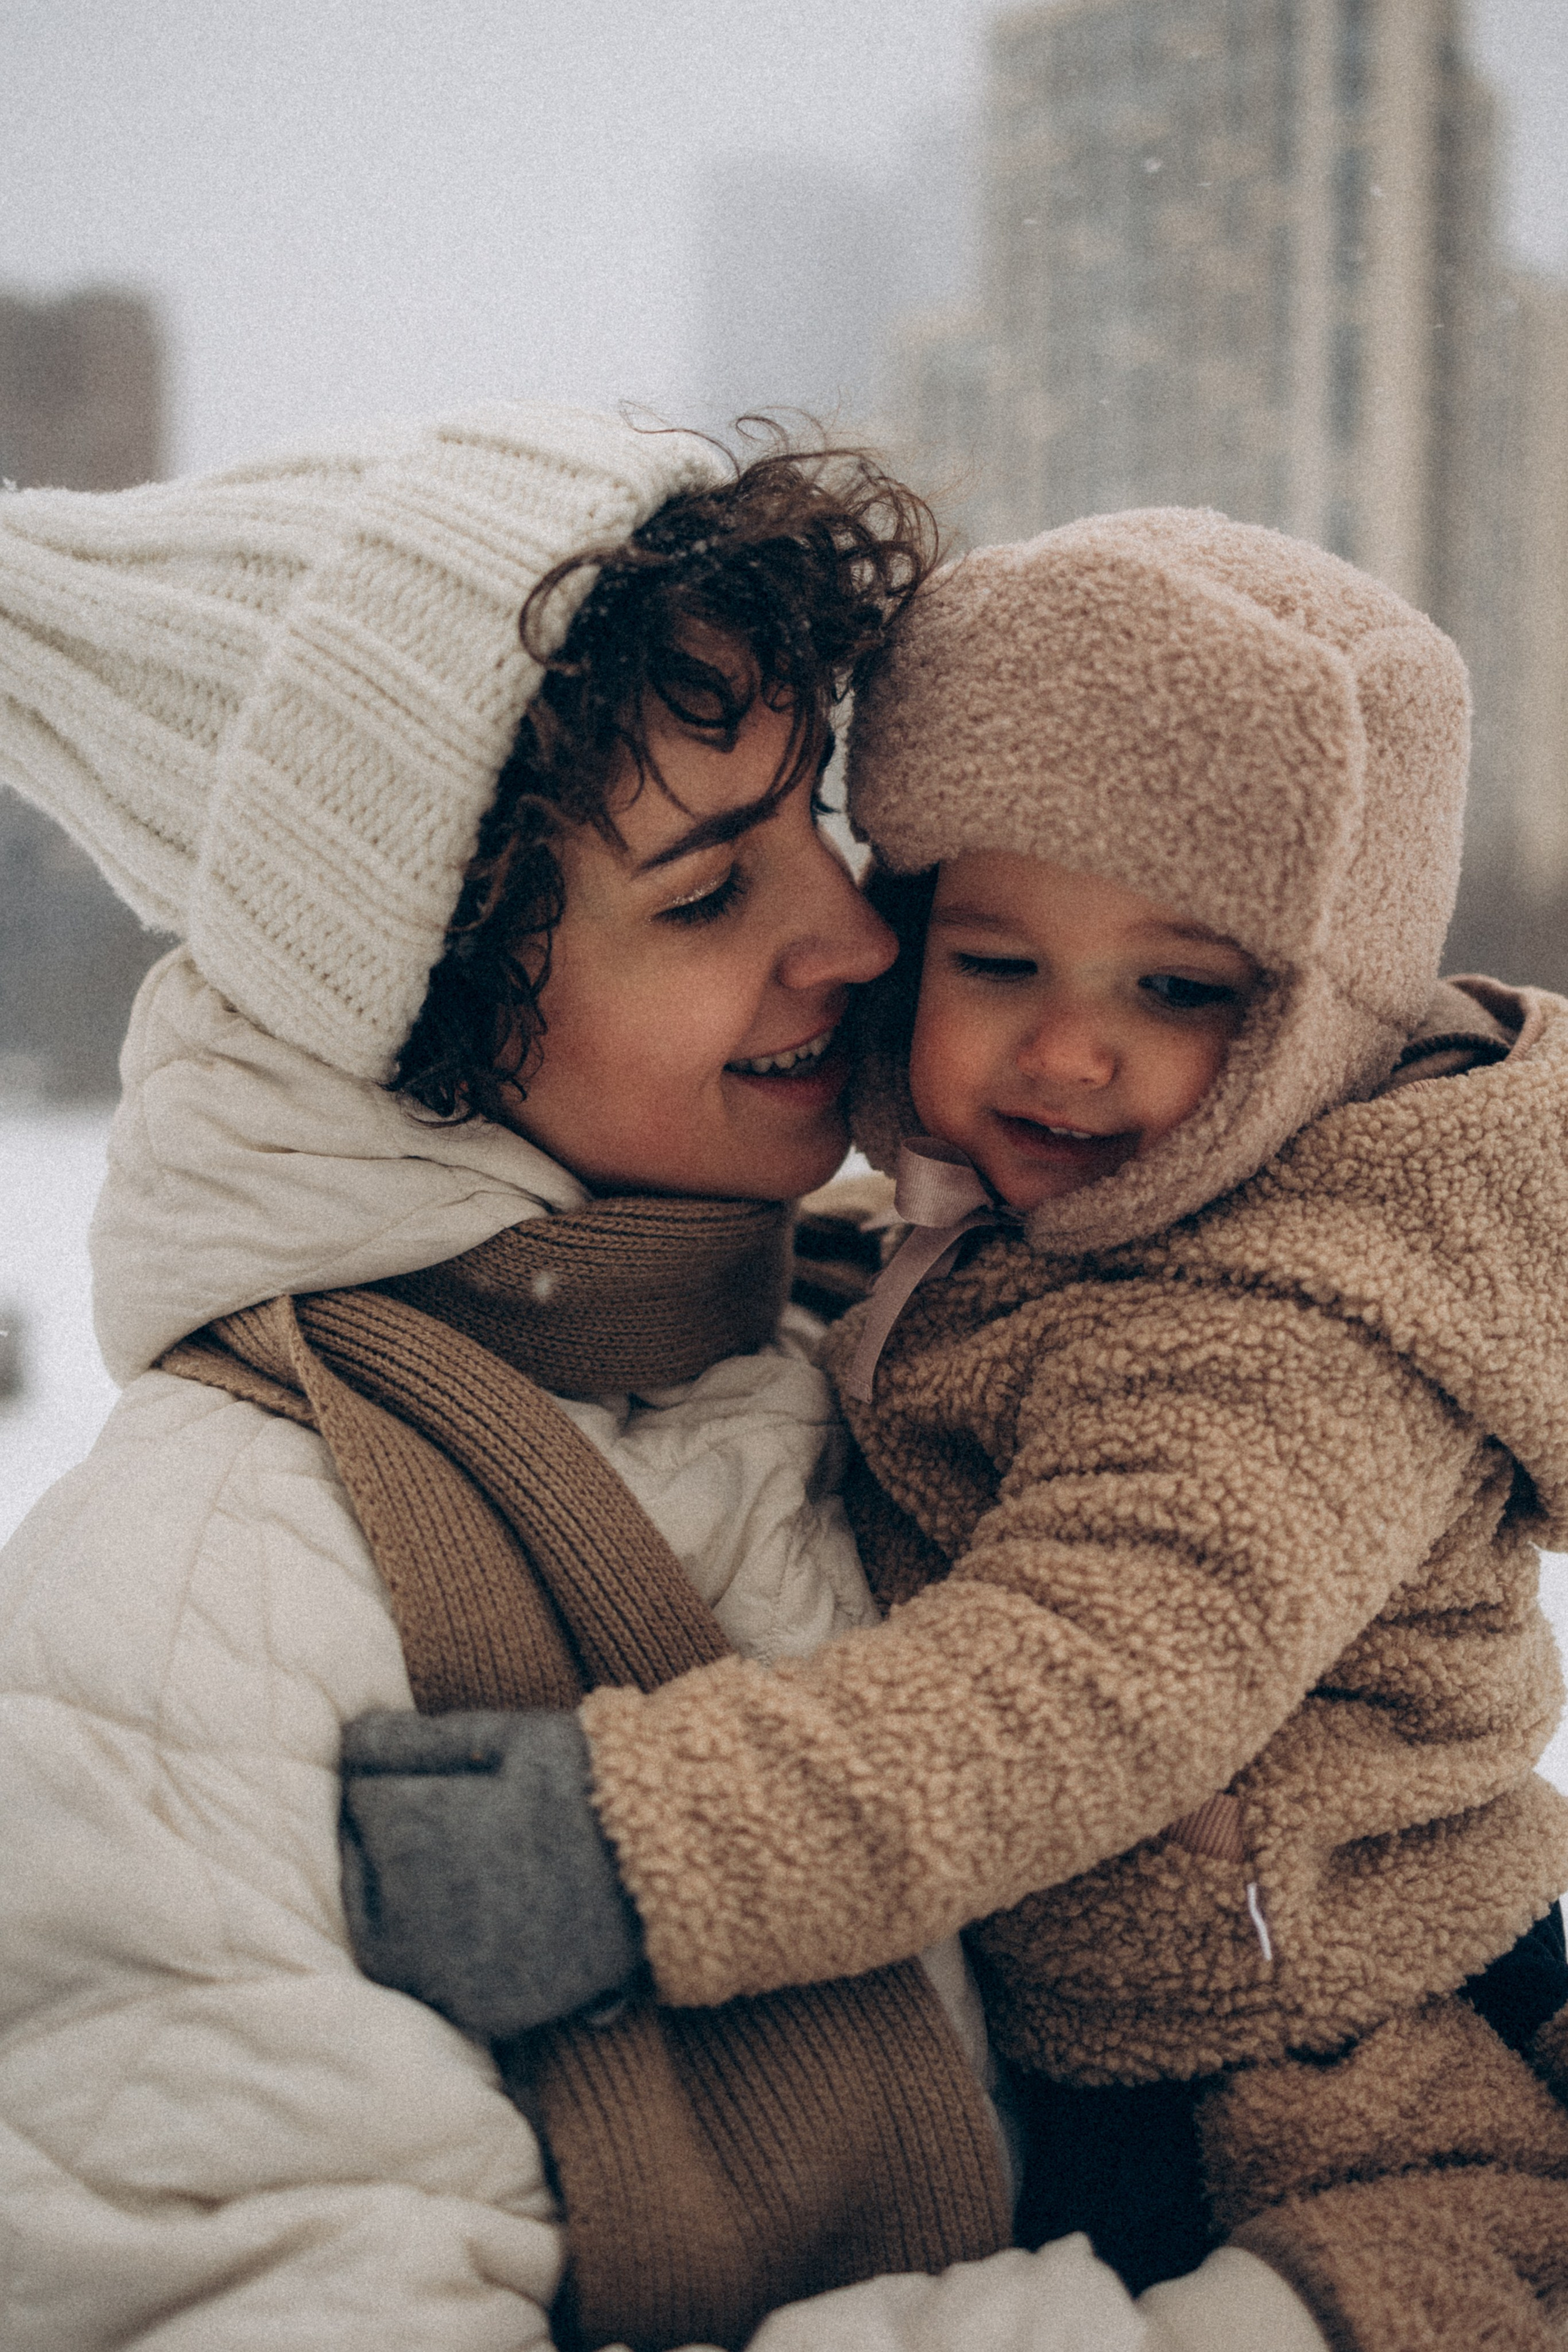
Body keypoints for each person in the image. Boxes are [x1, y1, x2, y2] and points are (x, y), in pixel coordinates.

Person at [0, 413, 1310, 2352]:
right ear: (417, 1016)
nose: (859, 935)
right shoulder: (199, 1610)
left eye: (825, 832)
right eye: (707, 895)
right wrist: (1282, 2324)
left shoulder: (906, 1350)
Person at [342, 510, 1568, 2348]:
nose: (1069, 1055)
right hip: (1130, 2038)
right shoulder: (1061, 1234)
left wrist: (634, 1846)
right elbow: (954, 1333)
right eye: (999, 964)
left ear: (1325, 1016)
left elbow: (1092, 1675)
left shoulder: (1287, 1337)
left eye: (1180, 989)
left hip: (1336, 2087)